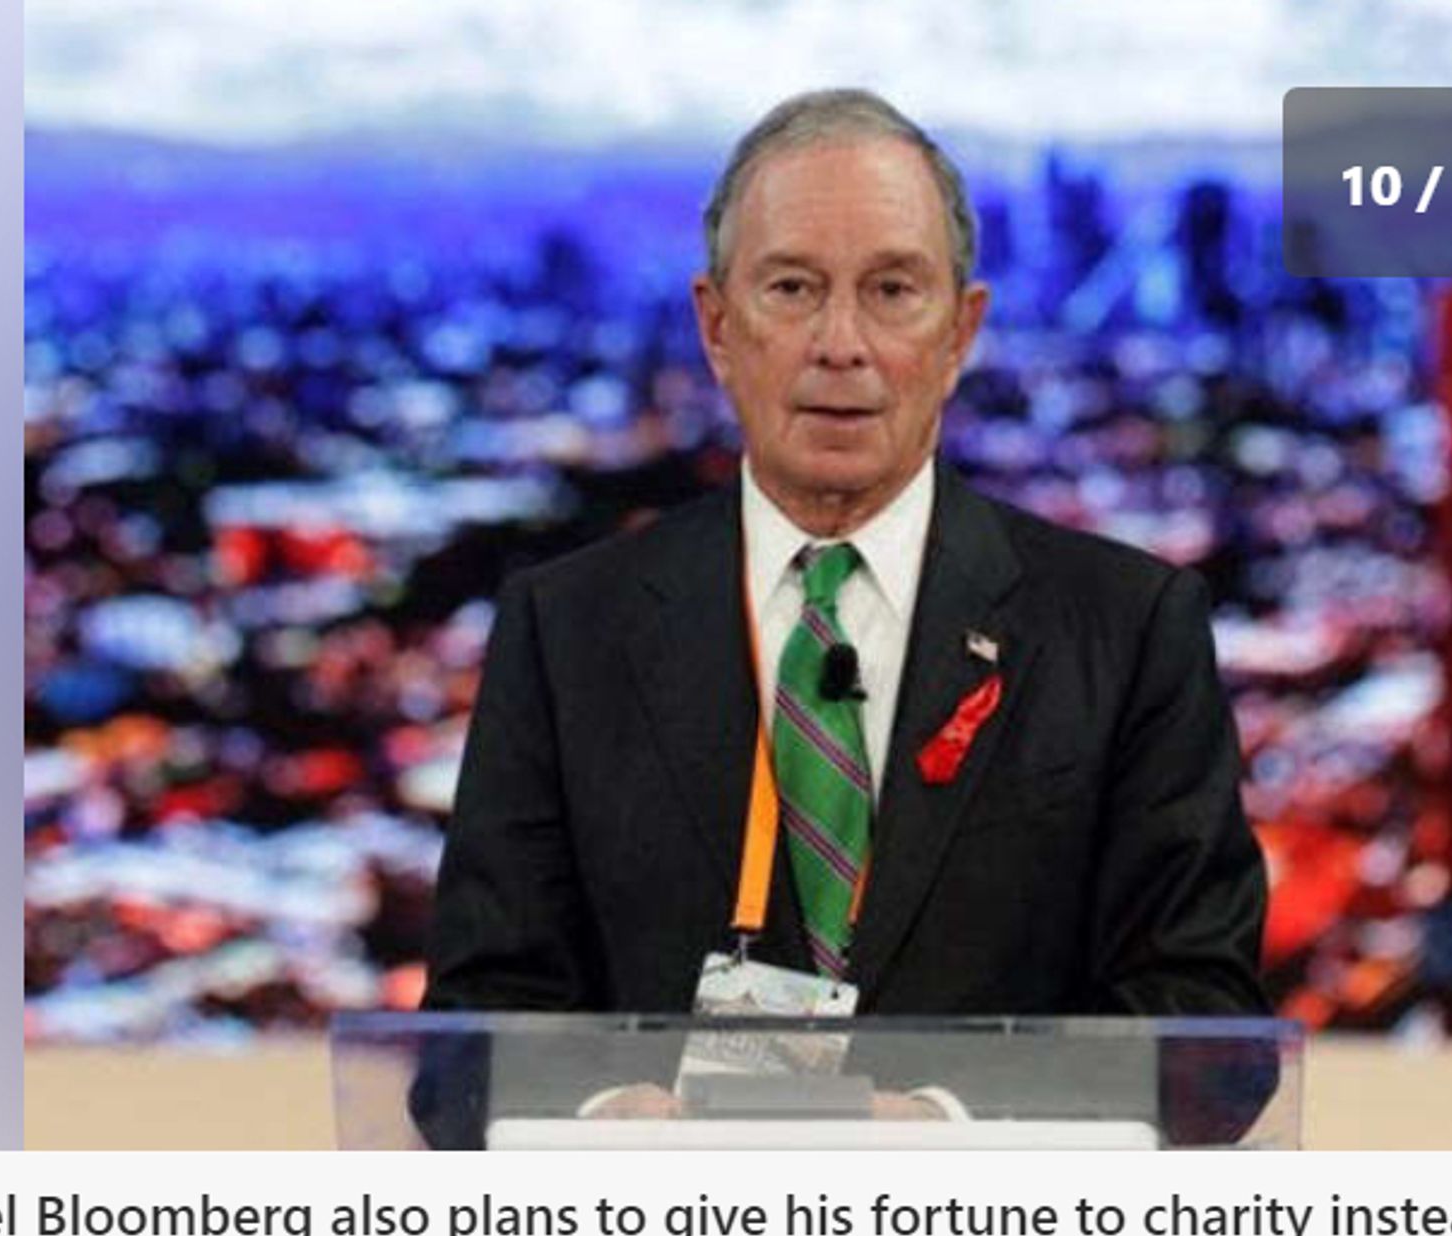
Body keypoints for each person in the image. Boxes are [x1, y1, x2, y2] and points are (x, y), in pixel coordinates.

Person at [421, 89, 1268, 1026]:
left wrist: (946, 1123)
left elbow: (1202, 1016)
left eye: (893, 292)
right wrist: (606, 1117)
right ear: (715, 327)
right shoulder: (565, 631)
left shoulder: (1128, 629)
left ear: (960, 333)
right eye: (792, 288)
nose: (841, 345)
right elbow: (480, 1021)